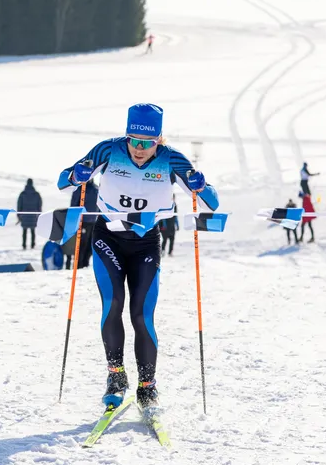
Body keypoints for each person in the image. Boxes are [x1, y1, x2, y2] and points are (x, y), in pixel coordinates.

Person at [58, 103, 218, 414]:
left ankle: (148, 386)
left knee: (141, 315)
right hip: (108, 239)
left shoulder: (172, 159)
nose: (139, 149)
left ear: (159, 140)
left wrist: (200, 184)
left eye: (147, 143)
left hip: (146, 244)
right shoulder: (108, 150)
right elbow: (63, 180)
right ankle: (116, 377)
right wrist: (77, 174)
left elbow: (211, 200)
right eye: (133, 140)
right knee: (113, 303)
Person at [64, 180, 100, 269]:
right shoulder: (82, 189)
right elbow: (74, 205)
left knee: (87, 245)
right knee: (82, 245)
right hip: (84, 221)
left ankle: (83, 265)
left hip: (90, 221)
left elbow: (100, 205)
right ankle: (79, 265)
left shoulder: (95, 189)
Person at [17, 178, 42, 249]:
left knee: (24, 230)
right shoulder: (36, 194)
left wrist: (18, 214)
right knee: (32, 230)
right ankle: (32, 245)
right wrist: (39, 214)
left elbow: (19, 205)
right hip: (33, 215)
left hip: (24, 215)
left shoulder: (22, 194)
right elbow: (39, 205)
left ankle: (24, 245)